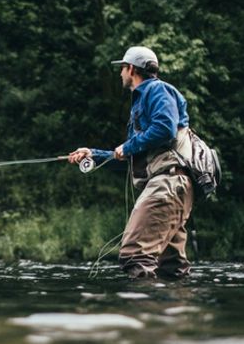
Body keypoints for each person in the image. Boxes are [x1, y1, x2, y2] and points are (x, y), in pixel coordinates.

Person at [68, 46, 193, 279]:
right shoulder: (145, 99)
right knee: (172, 268)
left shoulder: (156, 90)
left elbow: (164, 129)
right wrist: (92, 154)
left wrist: (127, 147)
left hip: (167, 183)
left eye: (122, 68)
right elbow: (130, 154)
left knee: (134, 255)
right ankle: (175, 311)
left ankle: (141, 314)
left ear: (132, 69)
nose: (120, 74)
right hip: (169, 186)